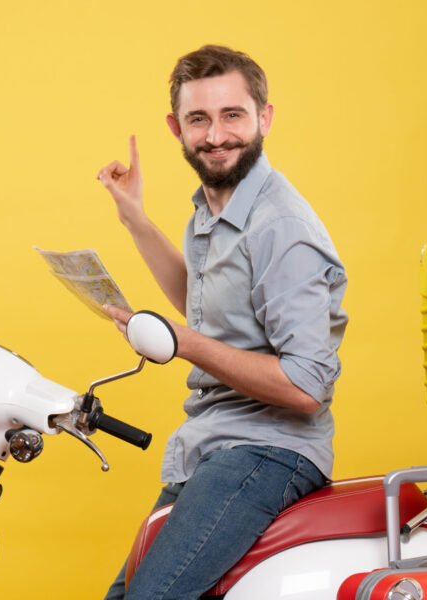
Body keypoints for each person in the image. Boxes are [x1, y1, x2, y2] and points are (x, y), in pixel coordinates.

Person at [96, 45, 348, 600]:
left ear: (265, 117)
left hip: (267, 449)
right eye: (198, 119)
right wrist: (134, 218)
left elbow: (306, 387)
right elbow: (205, 304)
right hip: (212, 448)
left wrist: (184, 345)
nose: (216, 136)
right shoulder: (213, 210)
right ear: (176, 128)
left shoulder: (280, 226)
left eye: (232, 115)